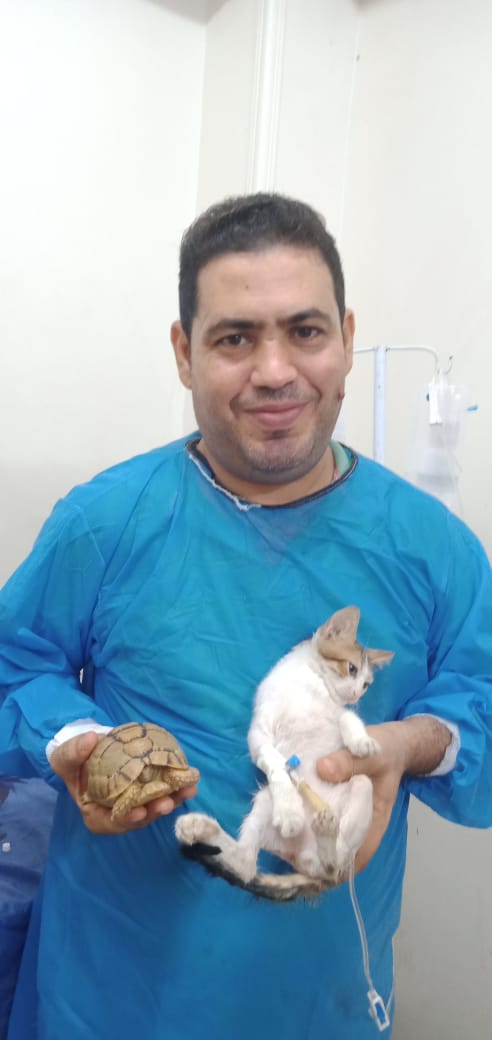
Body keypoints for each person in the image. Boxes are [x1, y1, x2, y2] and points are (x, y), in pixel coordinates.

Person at [0, 193, 491, 1040]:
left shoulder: (432, 546)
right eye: (234, 338)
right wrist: (75, 741)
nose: (274, 370)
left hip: (321, 1007)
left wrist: (412, 743)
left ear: (345, 337)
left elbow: (480, 699)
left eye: (305, 331)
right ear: (184, 353)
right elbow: (17, 662)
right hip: (110, 1001)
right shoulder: (106, 521)